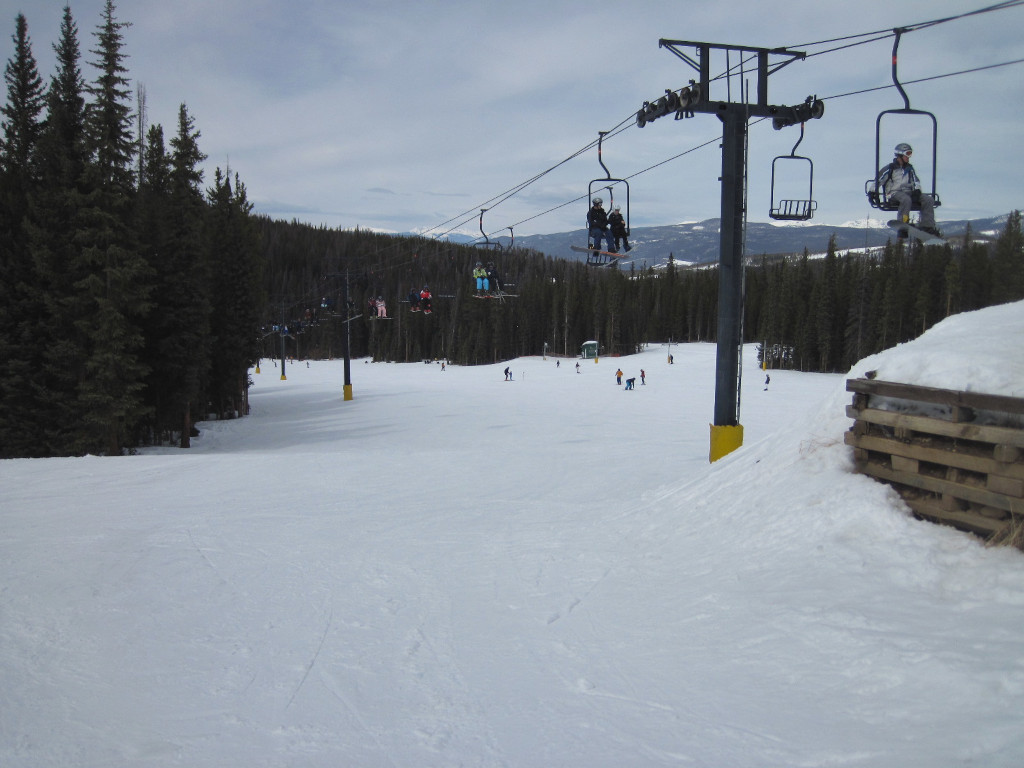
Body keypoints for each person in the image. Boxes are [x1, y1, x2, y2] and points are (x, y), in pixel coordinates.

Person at [875, 142, 940, 239]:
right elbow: (878, 181)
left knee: (928, 200)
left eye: (909, 155)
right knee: (906, 200)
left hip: (908, 192)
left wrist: (917, 191)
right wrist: (873, 193)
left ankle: (927, 226)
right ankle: (903, 225)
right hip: (893, 193)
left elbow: (916, 181)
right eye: (907, 155)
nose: (908, 158)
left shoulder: (909, 168)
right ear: (900, 155)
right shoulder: (890, 168)